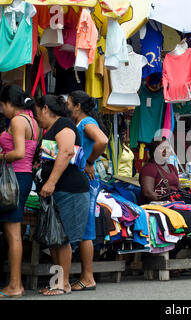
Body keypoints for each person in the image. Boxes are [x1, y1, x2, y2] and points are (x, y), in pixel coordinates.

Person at [34, 95, 90, 296]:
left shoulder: (64, 124)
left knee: (63, 237)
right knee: (55, 238)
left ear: (45, 108)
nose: (36, 117)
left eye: (37, 111)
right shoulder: (52, 129)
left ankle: (63, 284)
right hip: (59, 190)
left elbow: (66, 152)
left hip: (70, 190)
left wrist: (50, 182)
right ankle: (57, 282)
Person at [0, 85, 41, 298]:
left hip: (13, 178)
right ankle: (15, 283)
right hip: (23, 178)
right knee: (13, 232)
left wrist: (0, 157)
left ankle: (15, 285)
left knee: (13, 233)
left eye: (2, 105)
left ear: (9, 103)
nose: (2, 110)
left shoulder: (17, 121)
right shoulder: (33, 120)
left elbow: (19, 152)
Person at [66, 90, 108, 292]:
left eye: (68, 103)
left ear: (77, 106)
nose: (66, 107)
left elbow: (103, 140)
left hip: (87, 179)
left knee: (86, 230)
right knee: (84, 229)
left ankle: (87, 277)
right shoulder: (82, 123)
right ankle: (86, 276)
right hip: (85, 179)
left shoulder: (85, 123)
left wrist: (90, 161)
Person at [139, 138, 179, 205]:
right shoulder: (149, 168)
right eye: (162, 148)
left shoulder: (172, 168)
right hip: (157, 206)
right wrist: (167, 201)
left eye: (168, 148)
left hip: (174, 203)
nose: (165, 151)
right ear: (154, 150)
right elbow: (148, 193)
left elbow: (178, 188)